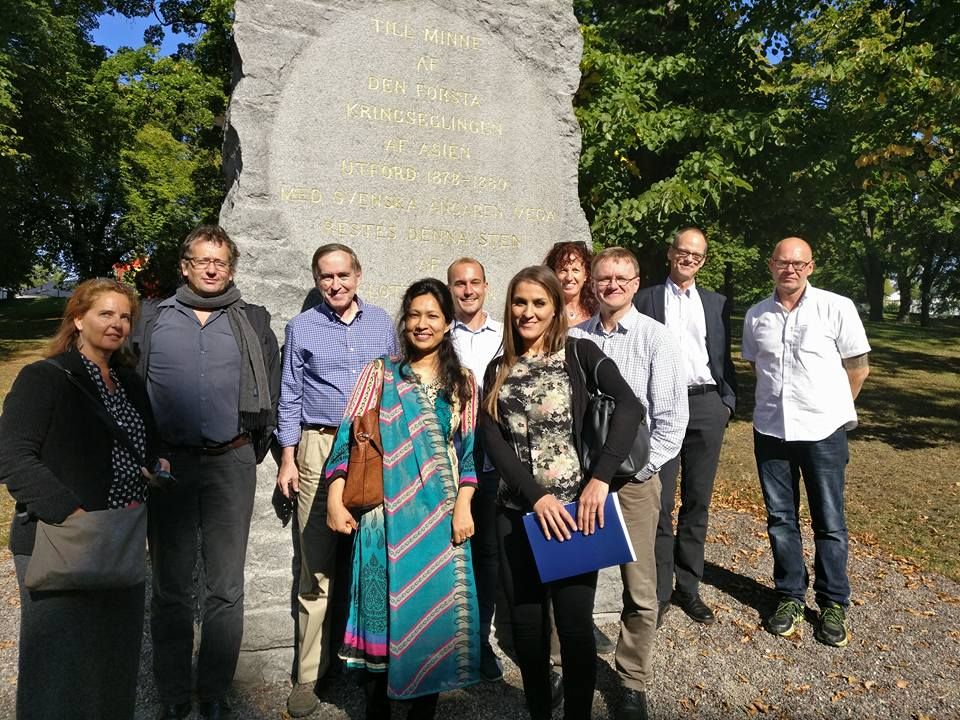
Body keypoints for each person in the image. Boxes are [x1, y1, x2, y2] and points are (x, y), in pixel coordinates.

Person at [479, 266, 642, 720]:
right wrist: (535, 496)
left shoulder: (580, 353)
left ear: (555, 308)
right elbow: (492, 438)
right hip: (517, 513)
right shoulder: (497, 368)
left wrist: (601, 478)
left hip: (573, 514)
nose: (527, 312)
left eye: (539, 303)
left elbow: (630, 406)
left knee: (573, 628)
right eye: (520, 302)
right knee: (527, 629)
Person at [0, 278, 166, 720]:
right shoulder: (44, 378)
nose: (117, 324)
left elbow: (150, 443)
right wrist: (69, 514)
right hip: (62, 538)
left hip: (121, 536)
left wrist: (157, 464)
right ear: (77, 319)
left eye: (125, 316)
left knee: (113, 662)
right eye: (105, 313)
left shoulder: (129, 383)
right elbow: (12, 455)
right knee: (59, 669)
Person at [133, 225, 281, 720]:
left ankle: (215, 690)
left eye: (220, 262)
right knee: (171, 585)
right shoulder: (152, 318)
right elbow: (132, 388)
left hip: (230, 463)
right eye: (203, 260)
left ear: (231, 269)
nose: (212, 269)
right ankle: (174, 692)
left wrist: (249, 449)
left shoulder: (253, 320)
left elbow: (271, 391)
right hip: (168, 466)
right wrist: (149, 452)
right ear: (185, 266)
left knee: (225, 586)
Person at [325, 278, 484, 719]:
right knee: (380, 616)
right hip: (382, 518)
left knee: (430, 619)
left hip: (440, 518)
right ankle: (376, 709)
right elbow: (348, 438)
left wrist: (464, 506)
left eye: (432, 315)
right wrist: (335, 499)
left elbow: (469, 454)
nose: (421, 324)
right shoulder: (380, 373)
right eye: (414, 314)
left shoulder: (464, 383)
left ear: (448, 323)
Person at [276, 243, 399, 717]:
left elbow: (396, 385)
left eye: (343, 275)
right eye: (326, 277)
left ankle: (379, 666)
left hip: (372, 449)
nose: (335, 284)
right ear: (316, 280)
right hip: (320, 444)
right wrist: (288, 458)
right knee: (317, 565)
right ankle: (310, 674)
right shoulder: (302, 327)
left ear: (358, 276)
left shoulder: (382, 323)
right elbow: (290, 395)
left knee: (377, 560)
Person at [569, 247, 687, 720]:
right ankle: (563, 664)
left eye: (622, 278)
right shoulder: (575, 337)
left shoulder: (657, 339)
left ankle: (632, 679)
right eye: (604, 278)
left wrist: (637, 471)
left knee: (640, 590)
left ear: (636, 283)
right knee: (572, 581)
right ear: (592, 284)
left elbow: (672, 421)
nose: (612, 285)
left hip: (635, 483)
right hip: (582, 484)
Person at [742, 237, 870, 648]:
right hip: (771, 432)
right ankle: (790, 596)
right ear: (771, 265)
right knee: (781, 520)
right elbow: (757, 366)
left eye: (799, 263)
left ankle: (833, 603)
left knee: (829, 522)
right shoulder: (756, 315)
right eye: (783, 262)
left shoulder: (837, 307)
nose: (790, 269)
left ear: (811, 267)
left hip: (823, 433)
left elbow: (858, 368)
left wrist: (833, 410)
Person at [634, 228, 737, 627]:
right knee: (660, 502)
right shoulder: (645, 299)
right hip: (660, 407)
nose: (689, 258)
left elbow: (724, 357)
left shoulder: (717, 303)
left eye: (697, 255)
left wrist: (726, 402)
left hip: (706, 404)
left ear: (703, 261)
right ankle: (660, 590)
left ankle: (689, 587)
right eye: (683, 251)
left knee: (698, 500)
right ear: (670, 253)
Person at [446, 257, 505, 682]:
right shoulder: (438, 334)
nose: (468, 290)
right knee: (449, 553)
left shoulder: (504, 336)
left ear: (486, 287)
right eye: (459, 284)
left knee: (487, 554)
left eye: (474, 283)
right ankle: (442, 638)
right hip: (447, 462)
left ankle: (480, 639)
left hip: (492, 462)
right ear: (450, 289)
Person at [544, 240, 598, 326]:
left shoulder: (597, 310)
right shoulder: (546, 311)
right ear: (553, 274)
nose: (569, 277)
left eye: (575, 270)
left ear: (586, 275)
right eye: (563, 270)